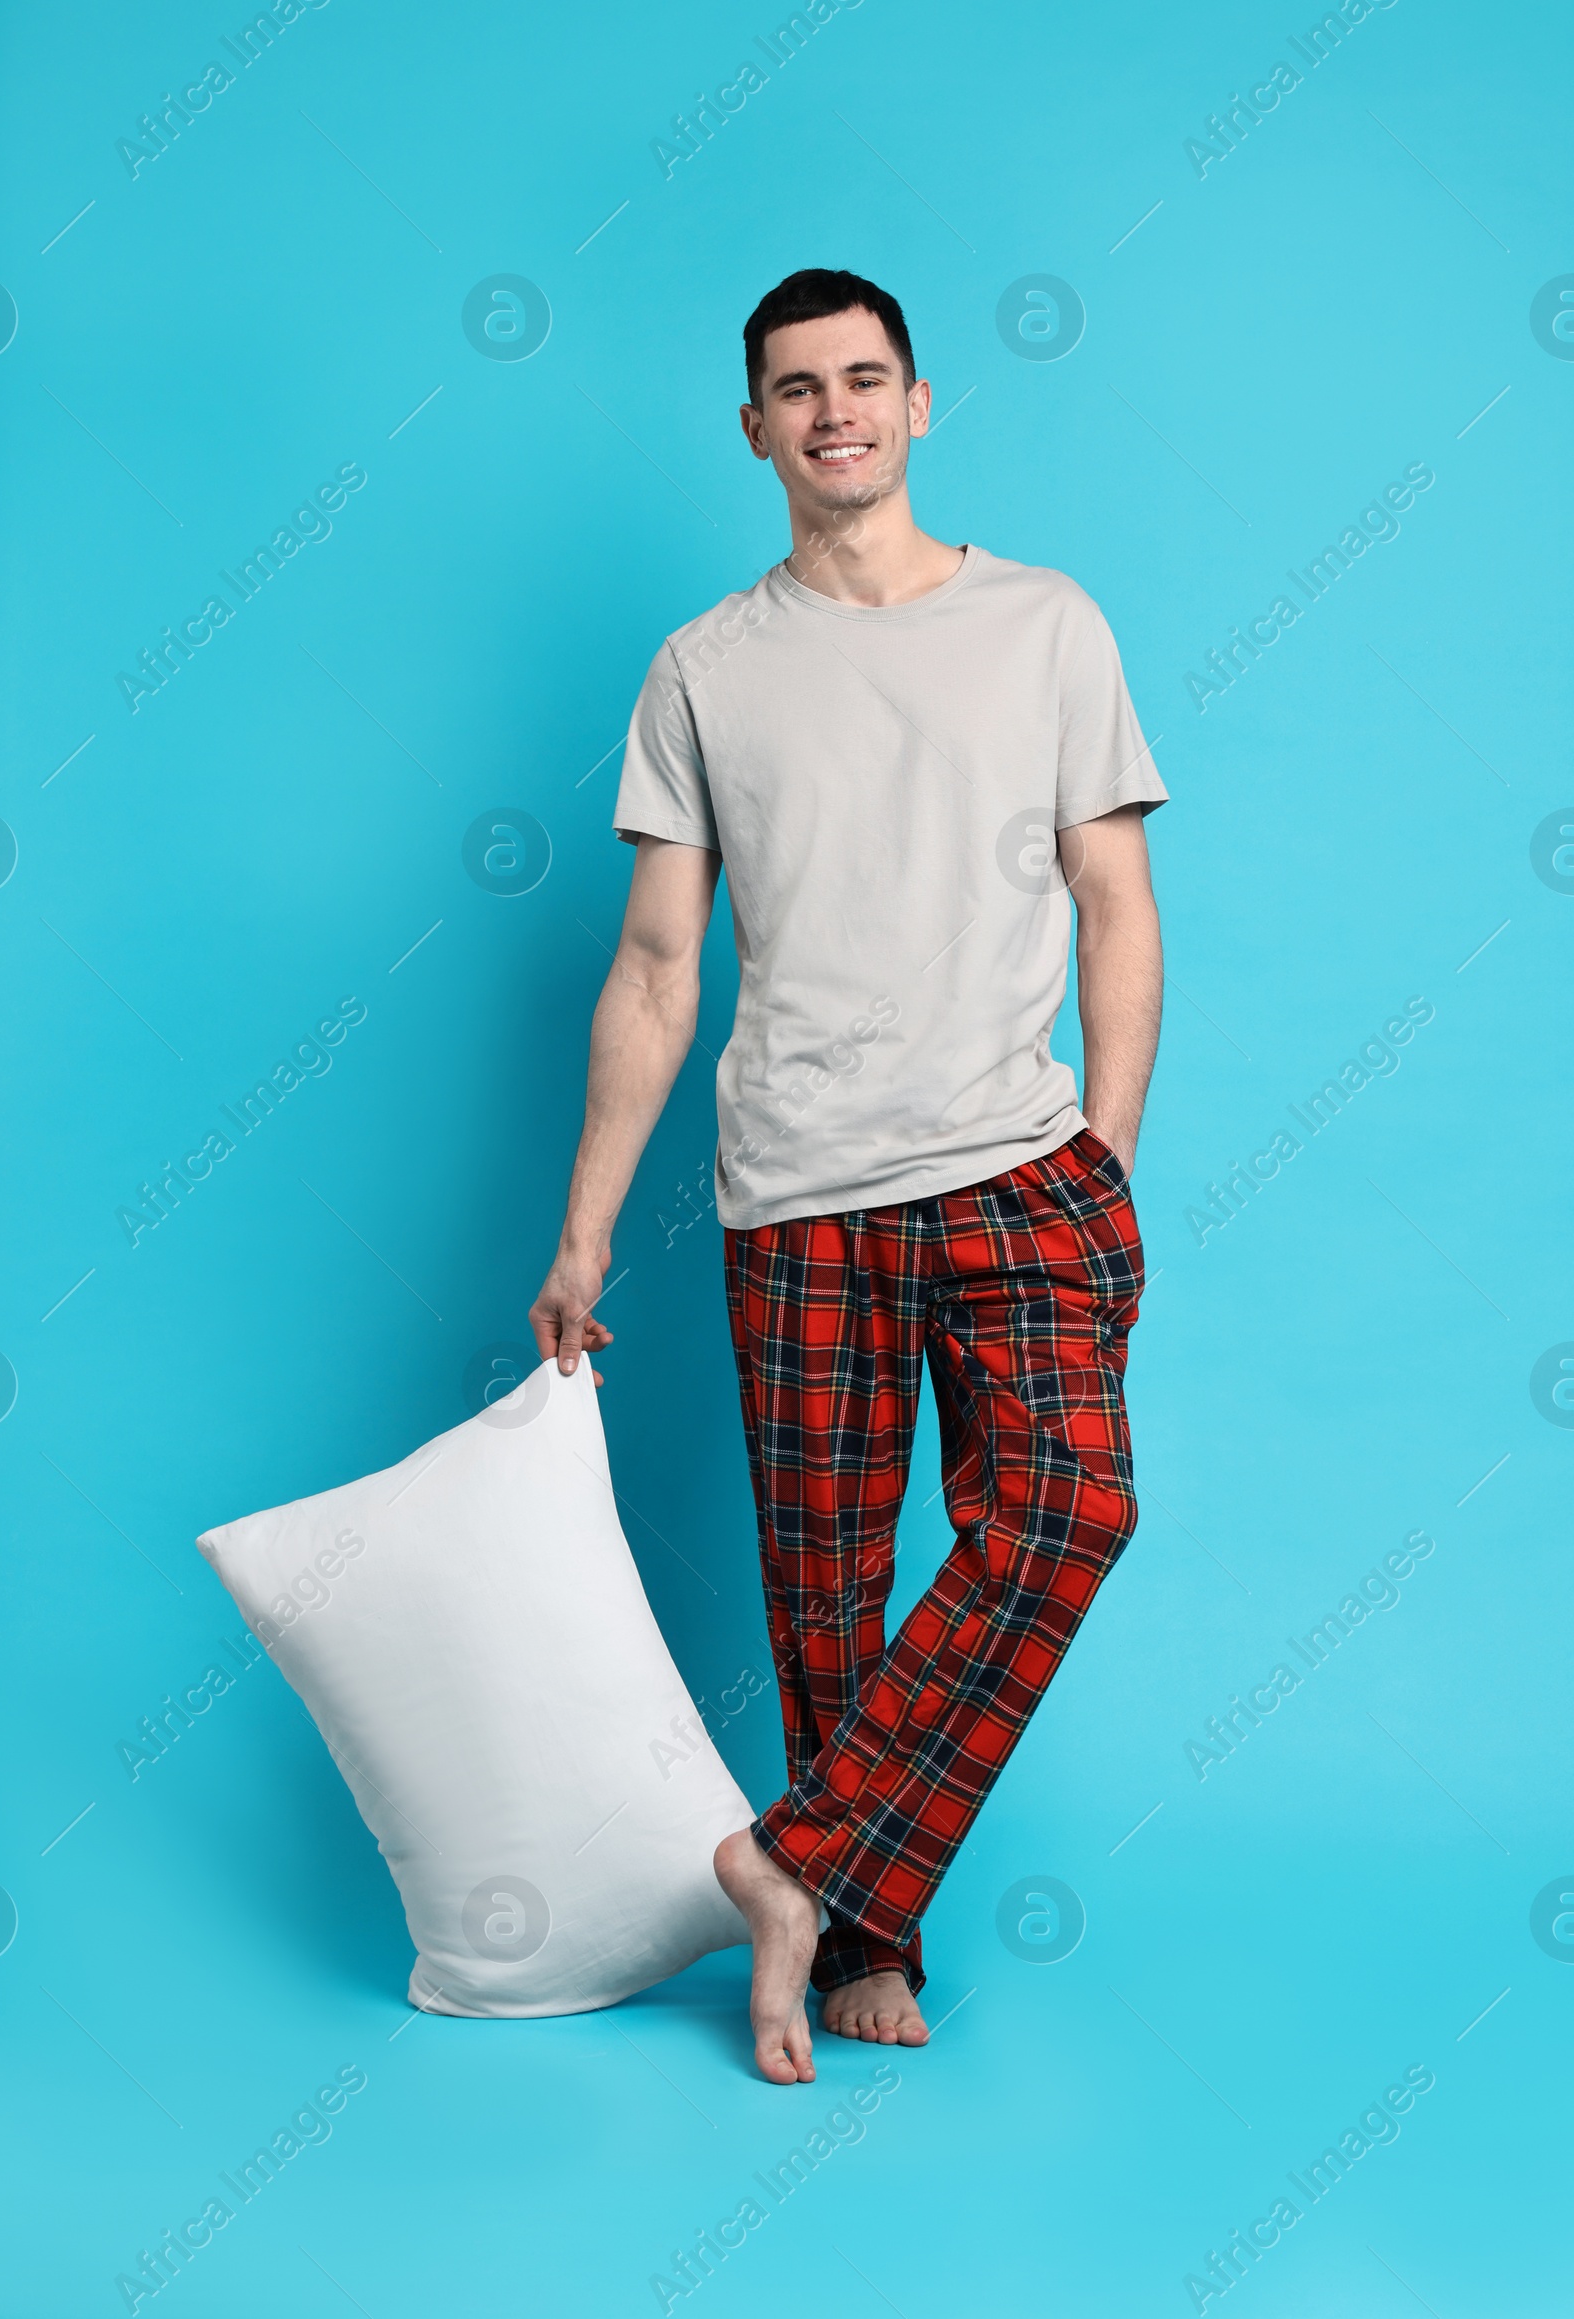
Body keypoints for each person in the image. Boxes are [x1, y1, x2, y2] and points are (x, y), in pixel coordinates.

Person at [530, 268, 1166, 2086]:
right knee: (822, 1592)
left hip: (1019, 1172)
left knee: (1068, 1513)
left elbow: (1119, 911)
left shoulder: (1048, 626)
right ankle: (863, 1937)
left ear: (921, 403)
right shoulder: (705, 671)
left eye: (865, 379)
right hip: (796, 1191)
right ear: (756, 430)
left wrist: (1104, 1166)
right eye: (797, 389)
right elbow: (657, 968)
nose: (836, 412)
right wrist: (582, 1234)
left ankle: (787, 1866)